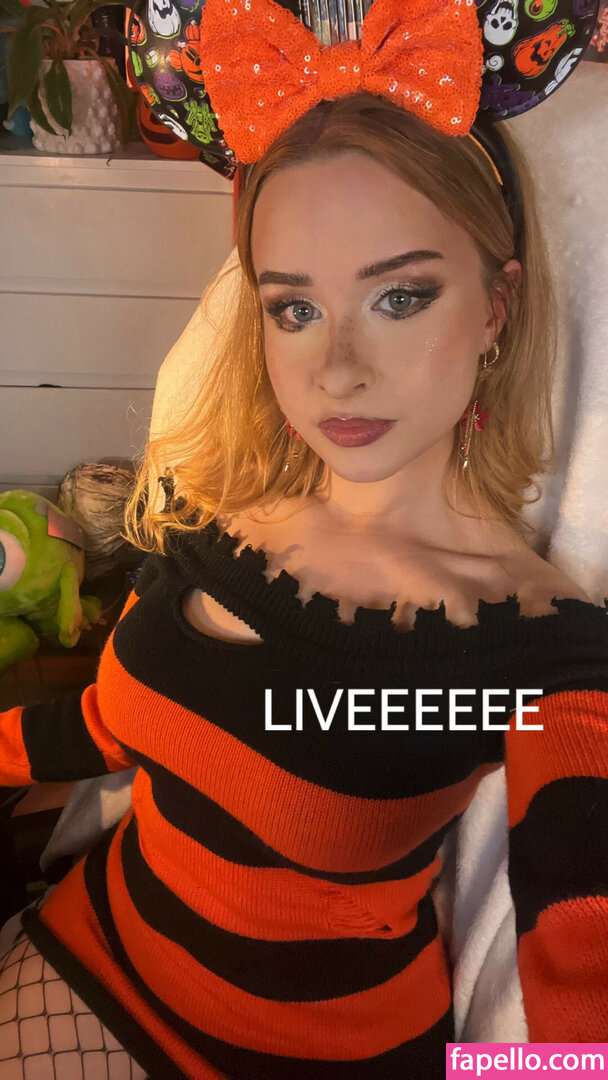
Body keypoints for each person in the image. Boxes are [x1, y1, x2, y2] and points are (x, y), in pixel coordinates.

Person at [1, 2, 608, 1078]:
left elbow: (583, 1001)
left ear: (494, 306)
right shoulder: (208, 516)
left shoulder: (543, 654)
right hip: (101, 944)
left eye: (399, 297)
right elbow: (106, 724)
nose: (336, 371)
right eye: (294, 309)